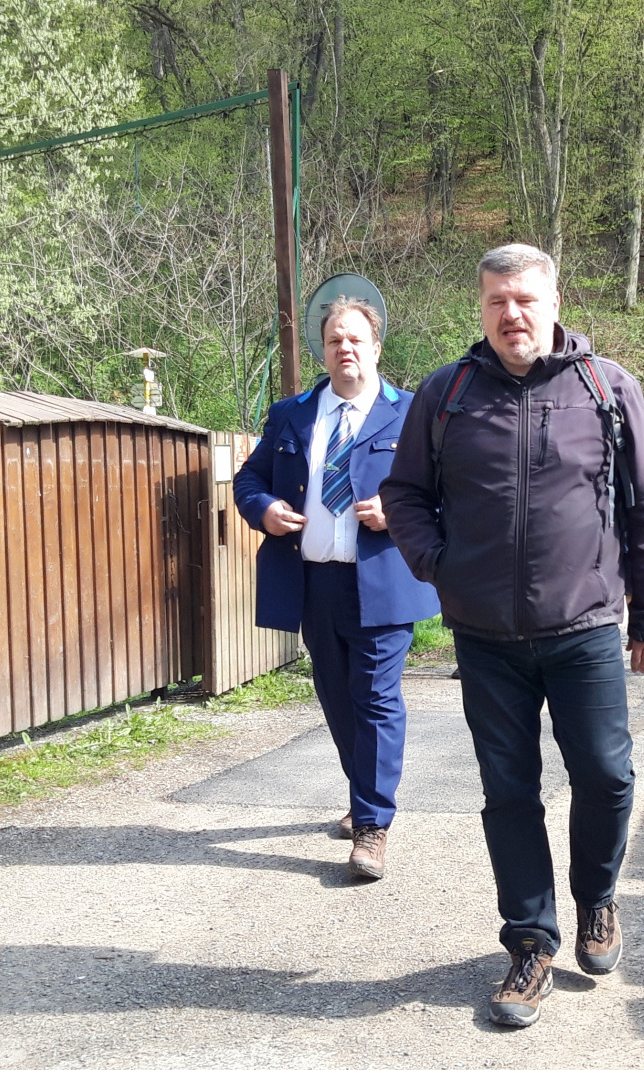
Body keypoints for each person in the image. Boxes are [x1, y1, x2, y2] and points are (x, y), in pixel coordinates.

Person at [381, 243, 644, 1029]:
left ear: (553, 304)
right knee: (509, 793)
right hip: (486, 638)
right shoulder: (447, 393)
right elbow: (404, 494)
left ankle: (597, 898)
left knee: (606, 777)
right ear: (481, 309)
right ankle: (530, 944)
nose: (511, 314)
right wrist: (440, 566)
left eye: (524, 300)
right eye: (497, 301)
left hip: (585, 628)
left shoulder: (605, 386)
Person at [233, 296, 439, 882]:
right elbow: (250, 478)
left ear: (376, 347)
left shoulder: (412, 414)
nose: (344, 348)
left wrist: (399, 515)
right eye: (333, 340)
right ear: (322, 350)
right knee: (337, 697)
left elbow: (451, 490)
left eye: (354, 339)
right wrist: (264, 508)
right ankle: (363, 793)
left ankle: (372, 826)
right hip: (313, 581)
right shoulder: (291, 414)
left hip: (384, 582)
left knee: (375, 697)